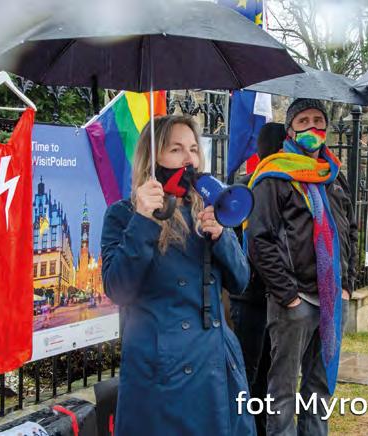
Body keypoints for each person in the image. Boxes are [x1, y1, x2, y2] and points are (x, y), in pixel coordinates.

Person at [101, 114, 255, 435]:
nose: (189, 159)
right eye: (176, 149)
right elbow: (118, 288)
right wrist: (144, 220)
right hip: (161, 371)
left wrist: (222, 237)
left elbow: (241, 281)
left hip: (216, 366)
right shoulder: (123, 214)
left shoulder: (209, 210)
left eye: (194, 149)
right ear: (152, 158)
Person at [246, 99, 358, 436]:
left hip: (333, 300)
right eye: (304, 121)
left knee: (319, 391)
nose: (313, 128)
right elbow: (259, 240)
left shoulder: (333, 174)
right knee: (281, 395)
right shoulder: (273, 176)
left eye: (319, 121)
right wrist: (288, 296)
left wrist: (348, 284)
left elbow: (351, 229)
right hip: (295, 304)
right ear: (291, 129)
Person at [230, 122, 286, 436]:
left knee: (264, 373)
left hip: (266, 296)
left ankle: (259, 428)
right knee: (248, 374)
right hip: (252, 296)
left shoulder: (276, 186)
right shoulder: (252, 188)